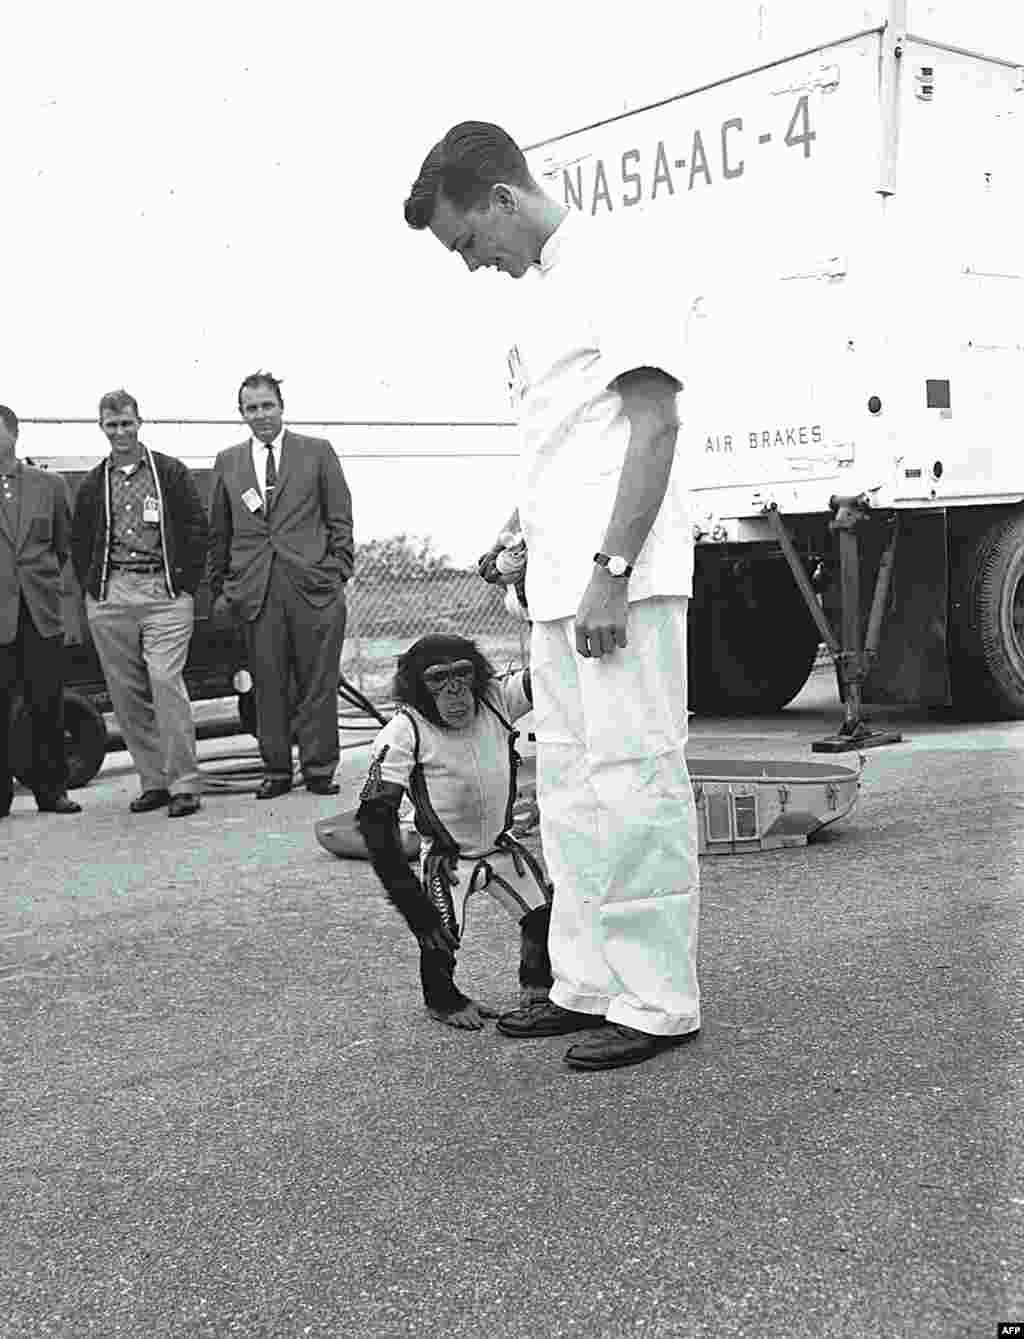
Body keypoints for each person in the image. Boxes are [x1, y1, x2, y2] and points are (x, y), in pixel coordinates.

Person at [404, 122, 700, 1071]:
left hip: (621, 584)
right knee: (571, 789)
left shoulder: (617, 266)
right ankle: (584, 981)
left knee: (636, 781)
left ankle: (657, 1000)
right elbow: (573, 447)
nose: (471, 263)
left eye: (467, 242)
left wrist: (611, 569)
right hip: (558, 593)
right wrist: (521, 534)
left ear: (500, 199)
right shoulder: (540, 300)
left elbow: (654, 427)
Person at [355, 634, 552, 1030]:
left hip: (501, 846)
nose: (455, 691)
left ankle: (538, 985)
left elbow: (552, 671)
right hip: (448, 858)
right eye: (439, 680)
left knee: (545, 915)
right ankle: (442, 1000)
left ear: (478, 677)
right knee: (439, 935)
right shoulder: (405, 729)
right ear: (415, 687)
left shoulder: (496, 700)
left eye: (462, 675)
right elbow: (374, 821)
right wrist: (414, 907)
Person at [207, 371, 354, 799]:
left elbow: (339, 516)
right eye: (251, 408)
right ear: (241, 414)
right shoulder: (228, 461)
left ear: (281, 407)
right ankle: (275, 770)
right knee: (267, 683)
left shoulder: (317, 452)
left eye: (267, 405)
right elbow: (221, 530)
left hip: (314, 586)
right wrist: (223, 587)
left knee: (317, 681)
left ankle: (319, 767)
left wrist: (337, 569)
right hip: (256, 589)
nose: (261, 415)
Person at [71, 389, 207, 818]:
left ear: (139, 423)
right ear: (102, 429)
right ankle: (155, 782)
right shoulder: (95, 482)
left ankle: (185, 783)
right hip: (113, 596)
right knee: (126, 695)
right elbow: (80, 542)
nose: (120, 432)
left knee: (165, 682)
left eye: (127, 423)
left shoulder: (169, 473)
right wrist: (95, 591)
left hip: (163, 595)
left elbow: (196, 527)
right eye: (112, 426)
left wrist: (184, 584)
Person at [0, 405, 81, 818]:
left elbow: (64, 549)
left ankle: (53, 792)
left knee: (47, 705)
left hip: (41, 612)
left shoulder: (50, 486)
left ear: (14, 434)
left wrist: (58, 604)